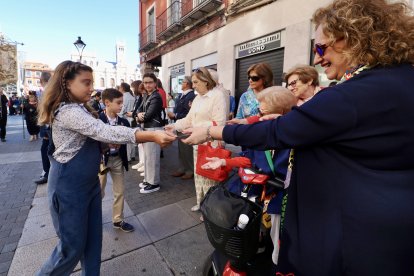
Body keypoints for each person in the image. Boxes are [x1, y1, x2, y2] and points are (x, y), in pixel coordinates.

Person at [183, 0, 414, 274]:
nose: (316, 58)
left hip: (354, 232)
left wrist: (210, 131)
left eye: (320, 47)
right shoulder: (400, 79)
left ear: (350, 38)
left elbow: (279, 132)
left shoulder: (356, 92)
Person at [36, 60, 174, 276]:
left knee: (93, 244)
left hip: (88, 185)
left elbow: (93, 137)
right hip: (68, 188)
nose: (91, 88)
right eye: (86, 82)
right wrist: (150, 135)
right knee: (70, 249)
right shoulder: (67, 111)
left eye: (92, 82)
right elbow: (103, 130)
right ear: (67, 84)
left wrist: (101, 146)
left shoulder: (80, 108)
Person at [202, 86, 297, 264]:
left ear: (281, 110)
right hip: (259, 192)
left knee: (279, 236)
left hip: (281, 198)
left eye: (264, 104)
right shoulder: (259, 129)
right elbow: (248, 159)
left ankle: (279, 264)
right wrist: (224, 162)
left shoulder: (293, 136)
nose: (259, 108)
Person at [165, 67, 227, 215]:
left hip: (212, 143)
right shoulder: (198, 97)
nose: (193, 86)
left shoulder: (217, 96)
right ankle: (200, 203)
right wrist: (174, 126)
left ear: (206, 81)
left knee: (211, 179)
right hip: (198, 143)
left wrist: (196, 128)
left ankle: (210, 210)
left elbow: (220, 122)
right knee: (199, 175)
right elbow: (189, 119)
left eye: (195, 82)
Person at [98, 88, 134, 233]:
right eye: (118, 103)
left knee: (119, 191)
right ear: (107, 103)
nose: (121, 106)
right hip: (101, 161)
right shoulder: (97, 120)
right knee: (98, 191)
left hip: (118, 159)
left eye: (122, 103)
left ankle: (118, 220)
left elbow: (129, 137)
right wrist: (106, 145)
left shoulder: (124, 121)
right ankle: (93, 219)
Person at [137, 73, 165, 193]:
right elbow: (138, 110)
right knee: (147, 157)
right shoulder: (147, 95)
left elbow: (148, 115)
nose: (147, 85)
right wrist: (138, 115)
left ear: (155, 83)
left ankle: (154, 183)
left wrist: (139, 116)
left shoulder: (156, 96)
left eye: (150, 82)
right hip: (148, 129)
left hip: (154, 129)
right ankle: (148, 180)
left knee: (152, 157)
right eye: (145, 82)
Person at [167, 76, 196, 180]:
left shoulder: (191, 96)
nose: (181, 84)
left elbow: (189, 114)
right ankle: (182, 168)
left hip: (186, 126)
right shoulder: (182, 95)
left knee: (187, 150)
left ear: (187, 84)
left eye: (183, 82)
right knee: (181, 150)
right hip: (180, 125)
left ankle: (190, 170)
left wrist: (175, 116)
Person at [35, 71, 52, 185]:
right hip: (47, 124)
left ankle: (47, 173)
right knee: (47, 149)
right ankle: (47, 173)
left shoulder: (47, 91)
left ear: (41, 81)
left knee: (46, 149)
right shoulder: (50, 90)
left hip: (48, 125)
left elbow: (46, 109)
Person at [129, 80, 146, 173]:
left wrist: (134, 114)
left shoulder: (142, 97)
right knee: (140, 144)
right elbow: (137, 109)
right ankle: (142, 162)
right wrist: (134, 114)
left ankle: (144, 163)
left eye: (132, 87)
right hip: (139, 121)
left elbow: (140, 110)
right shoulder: (138, 97)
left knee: (143, 145)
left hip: (142, 122)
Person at [119, 82, 136, 162]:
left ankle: (128, 157)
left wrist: (119, 115)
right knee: (133, 137)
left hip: (126, 118)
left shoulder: (124, 96)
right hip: (133, 118)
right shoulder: (132, 96)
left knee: (128, 138)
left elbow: (123, 108)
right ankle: (132, 155)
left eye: (120, 87)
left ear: (122, 88)